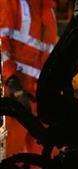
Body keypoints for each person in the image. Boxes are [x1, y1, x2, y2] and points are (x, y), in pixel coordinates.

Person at [0, 0, 57, 157]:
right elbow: (1, 44)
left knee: (48, 162)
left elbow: (49, 53)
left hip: (40, 98)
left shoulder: (47, 7)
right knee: (9, 161)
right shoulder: (10, 3)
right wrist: (13, 84)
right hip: (15, 96)